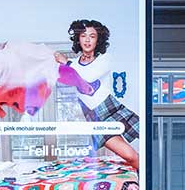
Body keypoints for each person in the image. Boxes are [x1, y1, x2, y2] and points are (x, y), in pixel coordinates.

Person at [54, 19, 141, 170]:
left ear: (98, 40)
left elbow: (87, 77)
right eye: (83, 35)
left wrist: (65, 62)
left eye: (92, 36)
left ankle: (151, 185)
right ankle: (143, 185)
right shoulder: (73, 64)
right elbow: (64, 76)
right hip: (96, 117)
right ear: (78, 39)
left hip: (113, 109)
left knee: (153, 143)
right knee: (130, 156)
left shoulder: (104, 59)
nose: (87, 40)